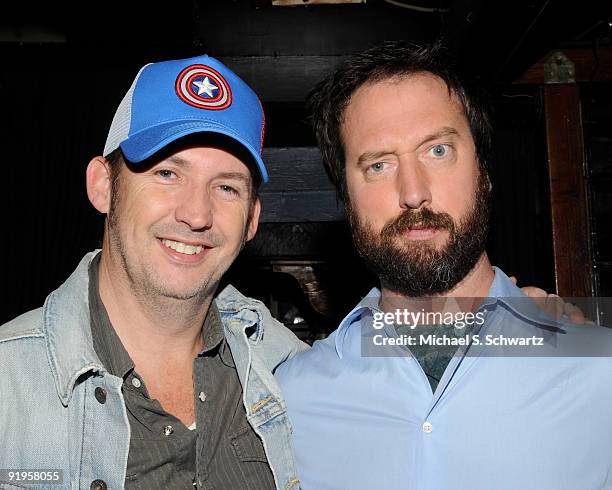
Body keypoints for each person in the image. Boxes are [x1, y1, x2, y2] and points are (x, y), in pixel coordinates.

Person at [275, 41, 612, 490]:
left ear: (484, 172)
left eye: (437, 151)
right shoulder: (287, 400)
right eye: (378, 165)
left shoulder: (599, 372)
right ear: (346, 199)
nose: (413, 192)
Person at [0, 54, 306, 490]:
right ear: (103, 186)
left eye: (226, 187)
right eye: (166, 173)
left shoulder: (288, 371)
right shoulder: (8, 386)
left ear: (252, 218)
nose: (197, 214)